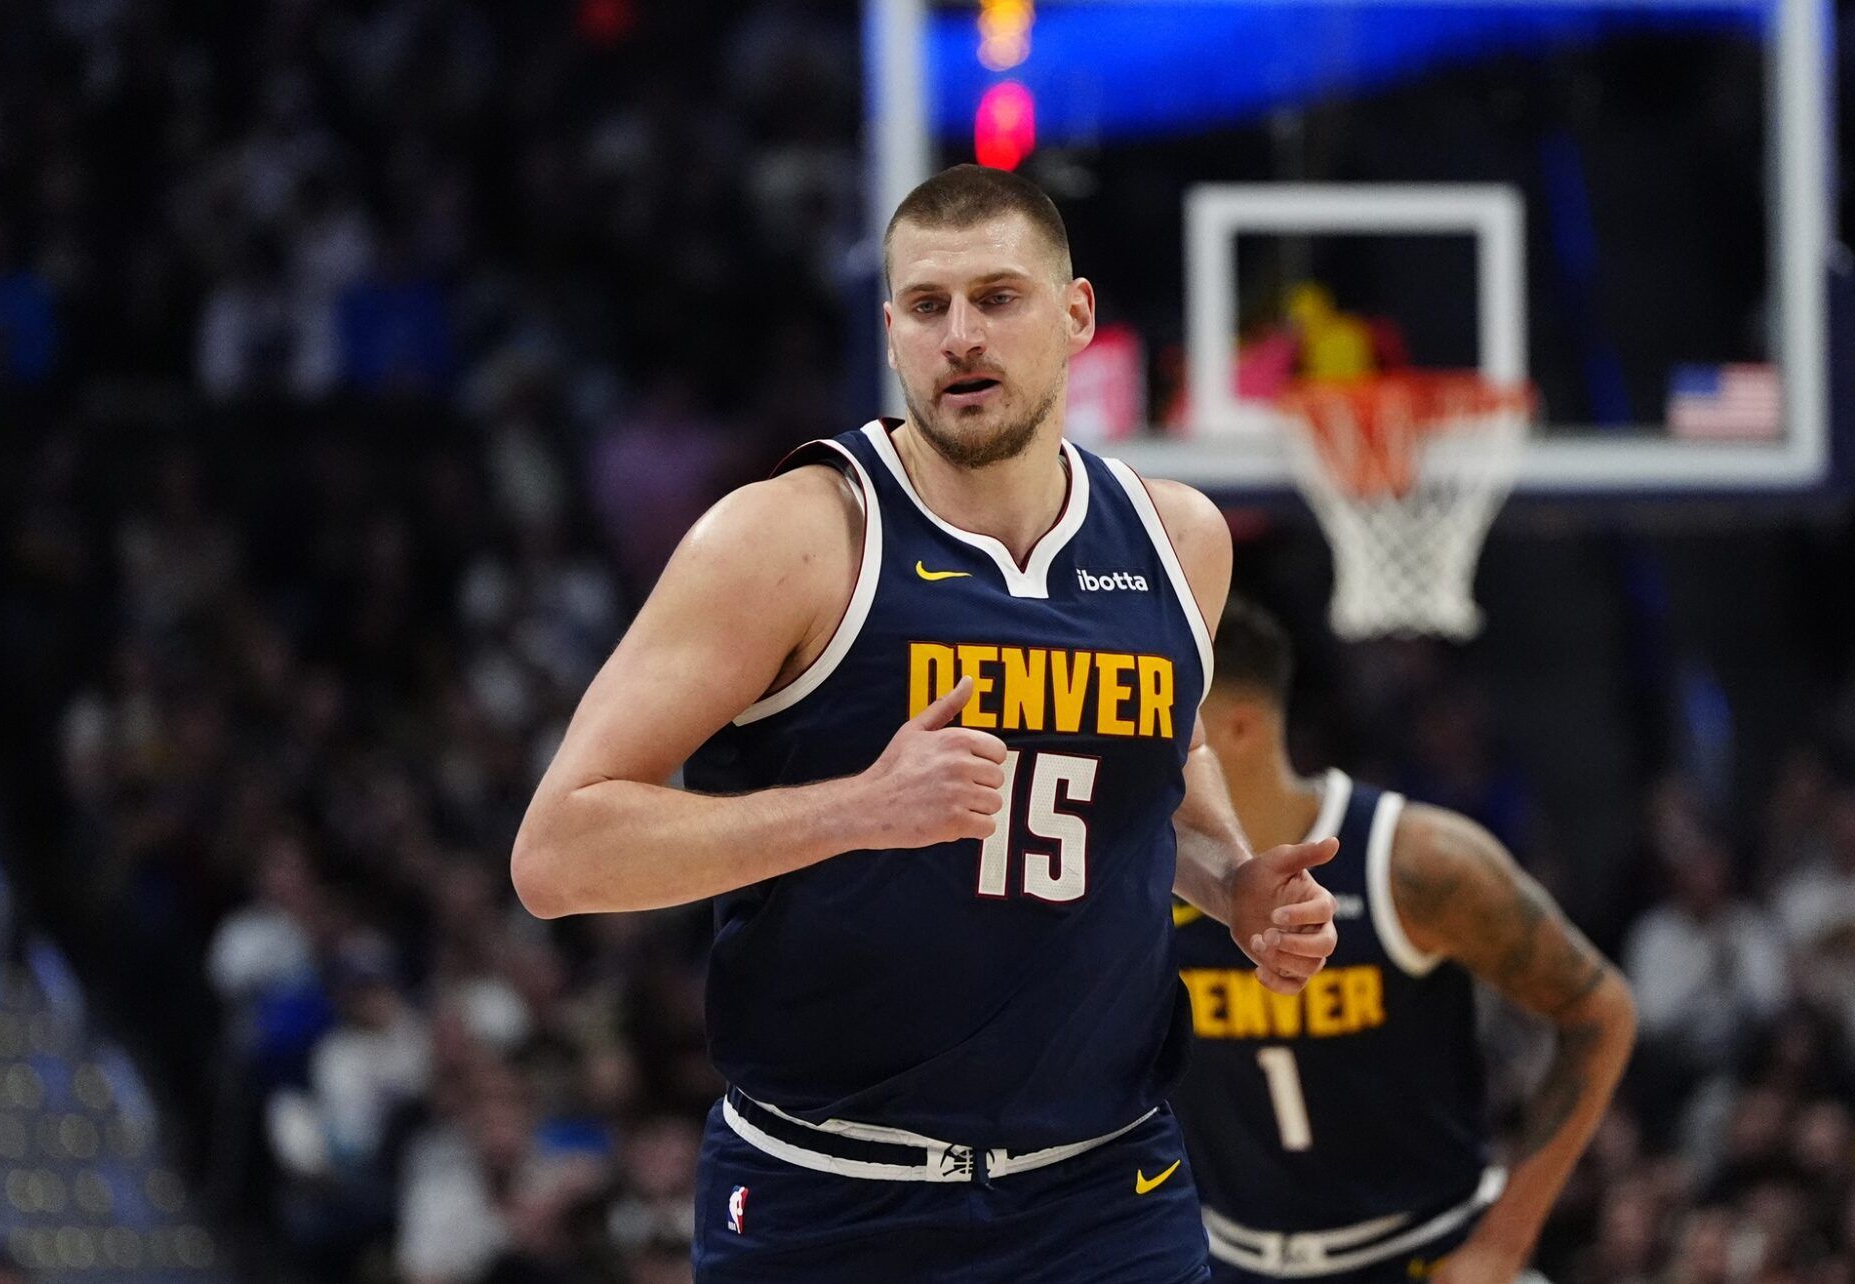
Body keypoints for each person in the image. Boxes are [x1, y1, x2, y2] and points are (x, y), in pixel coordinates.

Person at [512, 164, 1340, 1282]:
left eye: (998, 298)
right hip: (831, 1198)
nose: (962, 336)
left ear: (1076, 315)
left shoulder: (1178, 539)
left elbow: (1159, 761)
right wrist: (857, 809)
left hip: (1106, 1193)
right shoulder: (789, 540)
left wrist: (1234, 884)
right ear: (891, 329)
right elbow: (559, 854)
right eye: (928, 305)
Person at [1170, 600, 1635, 1283]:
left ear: (1237, 728)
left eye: (1166, 726)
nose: (1139, 744)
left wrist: (1505, 1243)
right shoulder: (1140, 870)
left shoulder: (1416, 862)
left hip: (1431, 1247)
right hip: (1230, 1258)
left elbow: (1602, 1011)